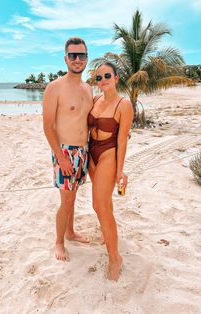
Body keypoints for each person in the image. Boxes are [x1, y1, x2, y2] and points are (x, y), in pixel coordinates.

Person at [43, 37, 93, 262]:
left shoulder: (88, 88)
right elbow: (48, 126)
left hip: (84, 151)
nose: (77, 60)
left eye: (81, 55)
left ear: (86, 59)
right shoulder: (55, 87)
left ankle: (71, 232)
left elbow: (88, 120)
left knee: (73, 197)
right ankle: (59, 242)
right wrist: (61, 157)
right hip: (65, 151)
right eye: (73, 55)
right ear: (66, 58)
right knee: (66, 201)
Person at [88, 62, 133, 281]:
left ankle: (115, 258)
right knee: (105, 202)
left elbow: (123, 139)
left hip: (108, 153)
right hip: (91, 153)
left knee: (99, 205)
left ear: (116, 77)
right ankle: (109, 236)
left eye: (107, 75)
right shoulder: (95, 99)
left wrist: (120, 170)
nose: (103, 80)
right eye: (98, 78)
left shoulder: (124, 104)